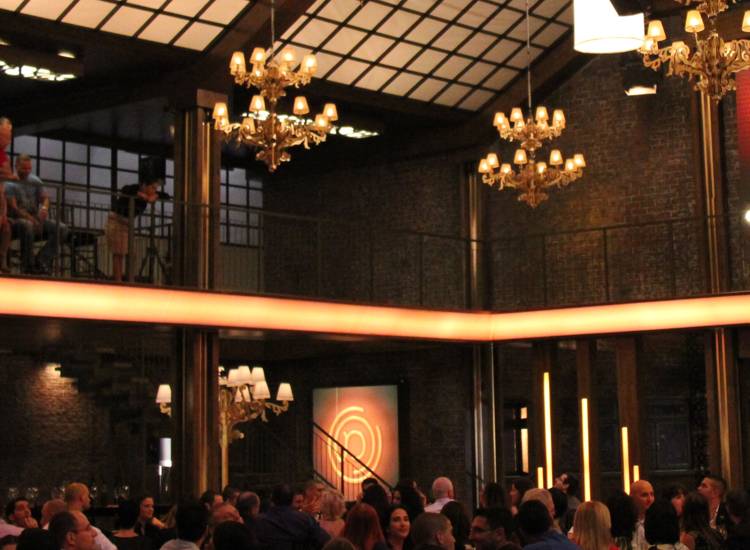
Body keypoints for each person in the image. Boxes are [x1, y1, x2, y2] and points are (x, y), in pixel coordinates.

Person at [105, 156, 166, 282]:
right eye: (152, 187)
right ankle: (118, 281)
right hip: (116, 221)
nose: (154, 190)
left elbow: (165, 195)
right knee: (119, 253)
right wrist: (142, 196)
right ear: (144, 185)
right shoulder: (134, 189)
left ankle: (126, 279)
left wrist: (154, 196)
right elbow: (125, 189)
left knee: (129, 253)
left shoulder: (149, 193)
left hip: (126, 224)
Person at [7, 154, 67, 273]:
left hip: (34, 218)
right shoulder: (10, 184)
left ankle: (42, 259)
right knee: (27, 225)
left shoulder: (35, 180)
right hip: (16, 220)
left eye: (29, 168)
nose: (27, 171)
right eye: (24, 168)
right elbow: (14, 208)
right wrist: (31, 219)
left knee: (62, 228)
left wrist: (44, 209)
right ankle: (28, 265)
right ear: (16, 166)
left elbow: (45, 198)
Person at [254, 484, 330, 549]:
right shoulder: (304, 519)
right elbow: (325, 540)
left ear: (272, 499)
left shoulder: (259, 521)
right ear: (291, 499)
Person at [64, 483, 117, 550]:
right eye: (88, 496)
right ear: (82, 498)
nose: (90, 499)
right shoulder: (92, 532)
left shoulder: (56, 526)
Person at [0, 118, 15, 273]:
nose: (7, 139)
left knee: (6, 228)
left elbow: (7, 173)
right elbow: (7, 173)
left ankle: (2, 260)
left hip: (1, 198)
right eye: (4, 134)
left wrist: (4, 212)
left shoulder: (3, 155)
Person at [631, 480, 655, 550]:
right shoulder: (626, 525)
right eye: (644, 495)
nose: (650, 499)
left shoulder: (658, 523)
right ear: (632, 498)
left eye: (652, 494)